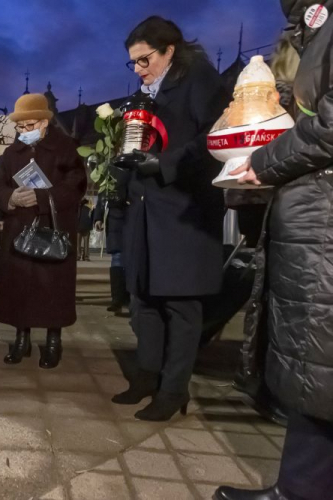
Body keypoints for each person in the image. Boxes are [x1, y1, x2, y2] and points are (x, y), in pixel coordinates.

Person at [214, 1, 333, 499]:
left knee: (318, 359)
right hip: (314, 214)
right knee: (317, 366)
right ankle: (299, 485)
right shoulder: (310, 25)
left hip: (322, 219)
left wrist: (265, 159)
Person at [110, 16, 230, 421]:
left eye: (144, 60)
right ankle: (147, 376)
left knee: (179, 304)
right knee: (143, 297)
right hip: (145, 210)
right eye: (134, 64)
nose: (139, 70)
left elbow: (213, 137)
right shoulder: (144, 97)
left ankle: (174, 388)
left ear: (169, 50)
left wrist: (162, 164)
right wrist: (123, 168)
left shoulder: (200, 80)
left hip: (184, 211)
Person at [0, 93, 87, 369]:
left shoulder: (66, 148)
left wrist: (44, 198)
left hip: (53, 229)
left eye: (30, 126)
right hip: (18, 230)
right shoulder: (11, 154)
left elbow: (76, 184)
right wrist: (11, 197)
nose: (24, 132)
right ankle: (21, 339)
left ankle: (53, 341)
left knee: (52, 288)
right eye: (20, 127)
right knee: (20, 287)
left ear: (45, 122)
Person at [93, 186, 129, 314]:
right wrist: (98, 217)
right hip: (115, 221)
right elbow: (103, 196)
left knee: (129, 259)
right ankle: (118, 300)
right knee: (117, 258)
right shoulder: (110, 173)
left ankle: (125, 299)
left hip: (130, 219)